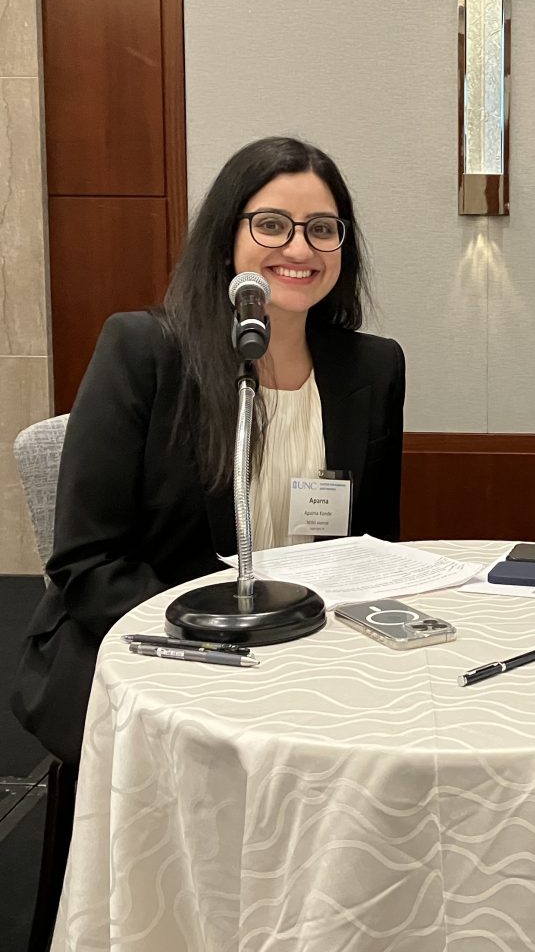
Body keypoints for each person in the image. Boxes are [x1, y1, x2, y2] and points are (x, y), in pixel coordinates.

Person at [12, 137, 405, 768]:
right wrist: (224, 650)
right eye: (272, 225)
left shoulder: (373, 366)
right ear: (228, 237)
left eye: (322, 229)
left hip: (307, 649)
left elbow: (375, 543)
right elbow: (88, 562)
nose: (299, 249)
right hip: (160, 649)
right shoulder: (145, 351)